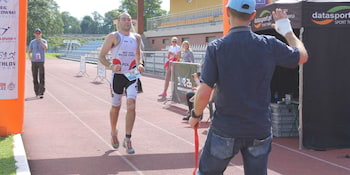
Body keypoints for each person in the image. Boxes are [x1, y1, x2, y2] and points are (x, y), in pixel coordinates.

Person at [189, 0, 308, 174]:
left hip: (225, 127)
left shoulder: (216, 48)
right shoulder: (269, 44)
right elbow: (302, 57)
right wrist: (288, 31)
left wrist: (195, 115)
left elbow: (204, 92)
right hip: (258, 127)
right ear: (253, 15)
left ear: (228, 11)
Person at [98, 12, 145, 154]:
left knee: (131, 105)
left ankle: (128, 138)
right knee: (116, 107)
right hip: (117, 76)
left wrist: (140, 63)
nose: (127, 22)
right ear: (119, 22)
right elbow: (101, 56)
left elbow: (138, 54)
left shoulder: (136, 37)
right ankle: (113, 132)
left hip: (132, 75)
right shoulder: (113, 36)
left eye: (129, 19)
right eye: (124, 19)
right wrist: (111, 66)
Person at [27, 28, 48, 99]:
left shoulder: (44, 41)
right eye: (36, 33)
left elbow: (45, 48)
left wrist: (40, 41)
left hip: (41, 61)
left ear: (41, 34)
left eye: (39, 33)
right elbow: (29, 51)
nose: (37, 34)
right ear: (34, 34)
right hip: (34, 62)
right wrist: (29, 57)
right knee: (34, 77)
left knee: (41, 77)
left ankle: (41, 92)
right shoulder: (32, 42)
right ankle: (36, 92)